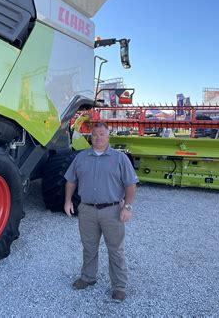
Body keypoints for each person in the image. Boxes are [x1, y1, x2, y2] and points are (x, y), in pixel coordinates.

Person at [64, 122, 138, 302]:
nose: (98, 138)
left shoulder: (120, 158)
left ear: (108, 136)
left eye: (102, 134)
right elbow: (71, 181)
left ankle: (119, 286)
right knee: (89, 247)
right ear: (90, 136)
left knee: (116, 250)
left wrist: (127, 207)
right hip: (87, 210)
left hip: (112, 211)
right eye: (95, 134)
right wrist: (67, 201)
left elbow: (130, 184)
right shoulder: (81, 157)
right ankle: (88, 277)